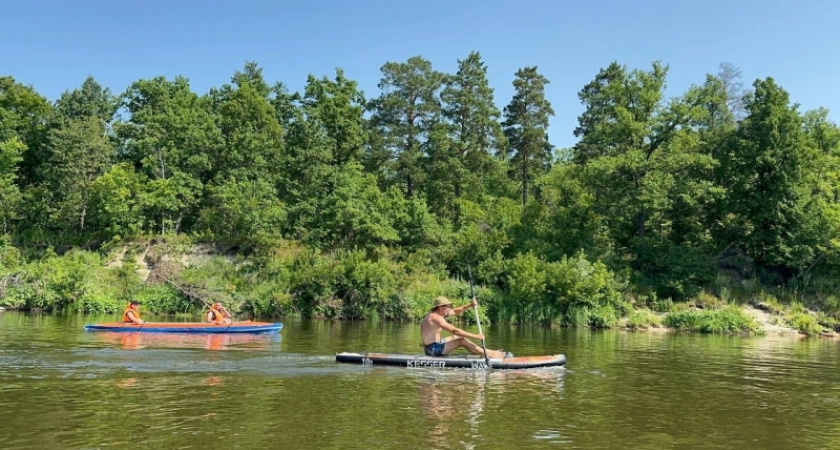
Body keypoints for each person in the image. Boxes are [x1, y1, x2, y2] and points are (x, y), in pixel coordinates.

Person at [421, 296, 511, 359]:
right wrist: (476, 336)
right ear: (440, 307)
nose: (449, 308)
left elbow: (455, 311)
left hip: (434, 345)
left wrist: (470, 305)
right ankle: (492, 354)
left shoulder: (438, 313)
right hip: (433, 350)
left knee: (457, 338)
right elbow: (455, 330)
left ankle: (488, 352)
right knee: (461, 340)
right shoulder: (435, 318)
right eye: (447, 306)